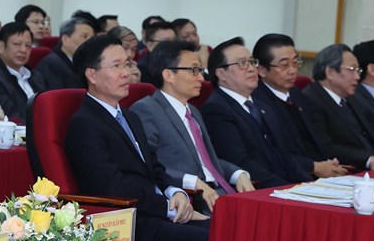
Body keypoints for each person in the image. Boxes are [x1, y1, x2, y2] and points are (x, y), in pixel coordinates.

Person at [64, 34, 209, 241]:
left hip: (153, 209)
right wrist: (168, 207)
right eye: (116, 65)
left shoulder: (129, 116)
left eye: (128, 64)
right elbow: (111, 187)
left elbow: (154, 168)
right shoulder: (84, 124)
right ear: (91, 74)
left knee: (221, 229)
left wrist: (175, 191)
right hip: (124, 221)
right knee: (203, 240)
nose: (127, 72)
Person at [130, 40, 254, 214]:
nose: (202, 78)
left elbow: (208, 162)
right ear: (169, 75)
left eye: (201, 71)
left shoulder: (193, 111)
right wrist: (191, 181)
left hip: (221, 193)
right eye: (194, 70)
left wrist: (238, 174)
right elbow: (146, 164)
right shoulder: (147, 109)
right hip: (192, 199)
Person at [251, 33, 347, 180]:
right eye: (284, 65)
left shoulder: (297, 94)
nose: (293, 70)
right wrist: (314, 167)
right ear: (262, 70)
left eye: (295, 63)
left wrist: (329, 164)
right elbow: (273, 154)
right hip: (287, 178)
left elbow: (314, 140)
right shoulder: (256, 102)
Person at [201, 37, 294, 187]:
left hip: (284, 184)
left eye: (252, 62)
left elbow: (283, 152)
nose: (251, 69)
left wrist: (306, 183)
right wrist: (285, 187)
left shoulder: (261, 103)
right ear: (221, 74)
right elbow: (240, 162)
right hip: (257, 188)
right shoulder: (216, 110)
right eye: (242, 63)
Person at [302, 44, 374, 171]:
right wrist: (368, 160)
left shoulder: (352, 97)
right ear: (330, 72)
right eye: (352, 69)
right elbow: (325, 147)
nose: (357, 77)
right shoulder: (310, 100)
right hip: (347, 170)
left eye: (358, 71)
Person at [0, 21, 46, 123]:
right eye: (17, 44)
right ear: (1, 47)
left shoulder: (36, 76)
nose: (23, 50)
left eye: (28, 45)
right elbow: (12, 117)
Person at [34, 17, 95, 90]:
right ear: (65, 39)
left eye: (92, 38)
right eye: (84, 36)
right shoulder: (51, 64)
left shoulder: (89, 63)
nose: (90, 42)